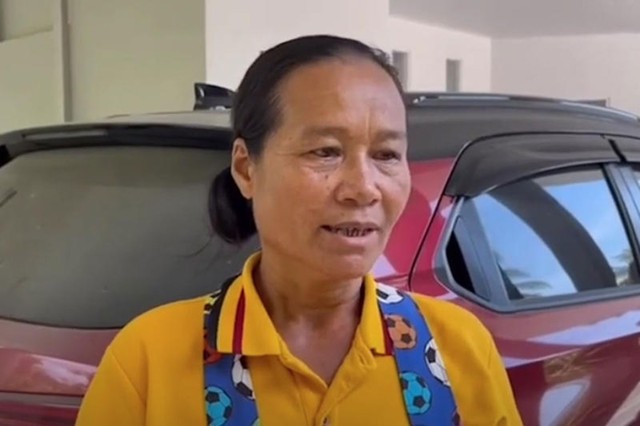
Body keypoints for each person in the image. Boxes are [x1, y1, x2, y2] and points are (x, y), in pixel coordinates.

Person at [76, 34, 522, 426]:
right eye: (325, 151)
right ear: (246, 168)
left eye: (386, 155)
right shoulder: (148, 360)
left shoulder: (458, 346)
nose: (363, 188)